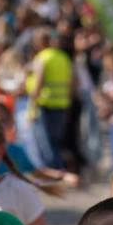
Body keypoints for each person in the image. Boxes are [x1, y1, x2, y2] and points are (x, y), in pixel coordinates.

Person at [26, 29, 73, 171]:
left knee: (46, 145)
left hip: (45, 105)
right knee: (56, 142)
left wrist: (32, 107)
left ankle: (55, 174)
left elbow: (38, 83)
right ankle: (60, 171)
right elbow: (72, 83)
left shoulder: (42, 58)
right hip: (62, 105)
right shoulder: (64, 57)